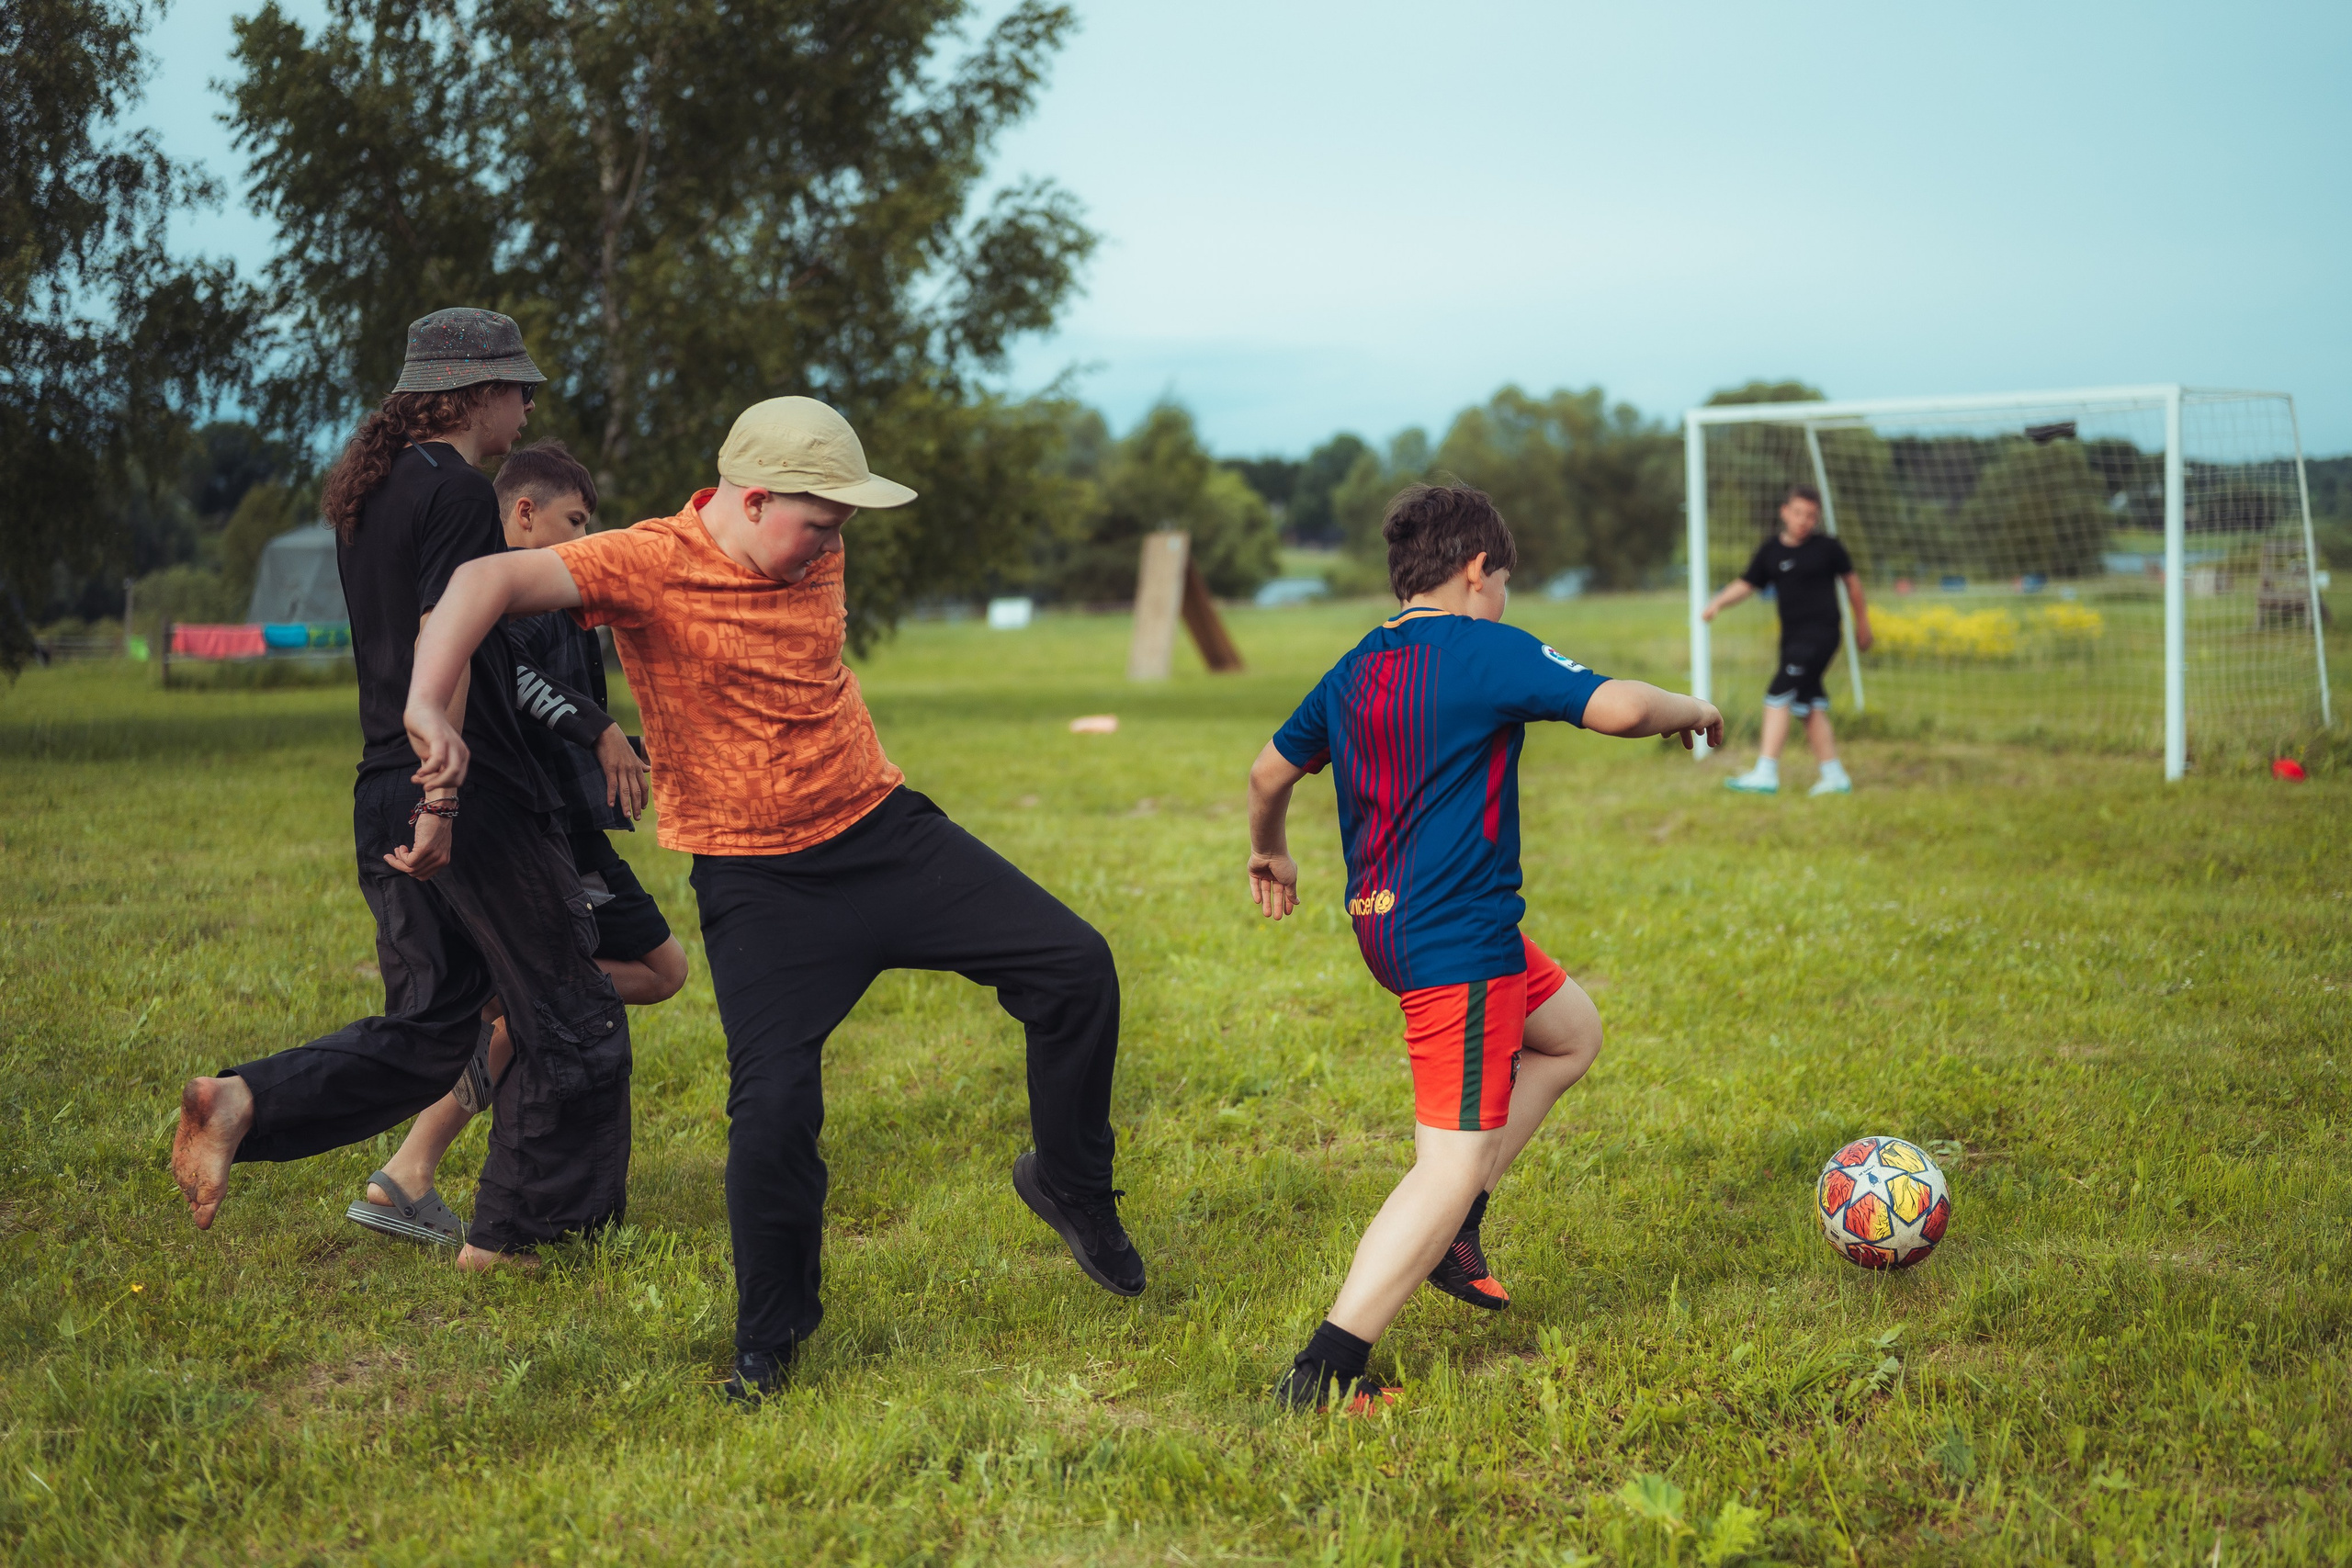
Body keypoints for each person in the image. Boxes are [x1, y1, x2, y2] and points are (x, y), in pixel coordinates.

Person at [397, 396, 1144, 1402]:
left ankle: (1070, 1183)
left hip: (883, 834)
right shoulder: (647, 562)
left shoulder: (803, 539)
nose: (830, 550)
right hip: (759, 881)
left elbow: (806, 563)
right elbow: (483, 579)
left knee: (1074, 967)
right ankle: (770, 1342)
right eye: (819, 527)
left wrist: (819, 533)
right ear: (752, 501)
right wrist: (423, 706)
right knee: (775, 1108)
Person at [169, 309, 631, 1271]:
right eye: (516, 385)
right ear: (468, 392)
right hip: (467, 790)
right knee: (567, 1009)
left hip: (378, 781)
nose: (529, 401)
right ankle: (516, 1239)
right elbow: (444, 640)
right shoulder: (458, 490)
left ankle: (245, 1100)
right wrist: (445, 802)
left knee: (430, 1030)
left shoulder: (371, 491)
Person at [1245, 482, 1722, 1413]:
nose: (1503, 599)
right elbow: (1618, 709)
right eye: (1501, 582)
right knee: (1448, 1158)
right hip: (1453, 941)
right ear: (1476, 573)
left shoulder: (1352, 668)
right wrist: (1692, 707)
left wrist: (1267, 848)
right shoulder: (1482, 648)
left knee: (1569, 1035)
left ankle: (1456, 1232)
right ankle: (1322, 1376)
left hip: (1397, 923)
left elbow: (1268, 770)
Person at [344, 439, 686, 1248]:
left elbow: (555, 695)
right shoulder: (485, 583)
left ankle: (408, 1170)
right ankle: (410, 1169)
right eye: (572, 522)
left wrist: (628, 740)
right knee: (569, 988)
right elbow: (522, 688)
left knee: (655, 970)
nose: (581, 541)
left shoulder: (557, 593)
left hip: (566, 818)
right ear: (523, 512)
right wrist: (598, 727)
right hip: (534, 829)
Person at [1701, 482, 1873, 795]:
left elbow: (1853, 584)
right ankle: (1834, 776)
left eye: (1811, 515)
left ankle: (1766, 773)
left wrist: (1863, 625)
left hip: (1821, 635)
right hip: (1792, 639)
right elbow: (1746, 583)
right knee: (1808, 704)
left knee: (1778, 695)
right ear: (1785, 512)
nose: (1804, 520)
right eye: (1798, 513)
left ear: (1817, 518)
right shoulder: (1771, 551)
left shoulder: (1828, 548)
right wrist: (1717, 604)